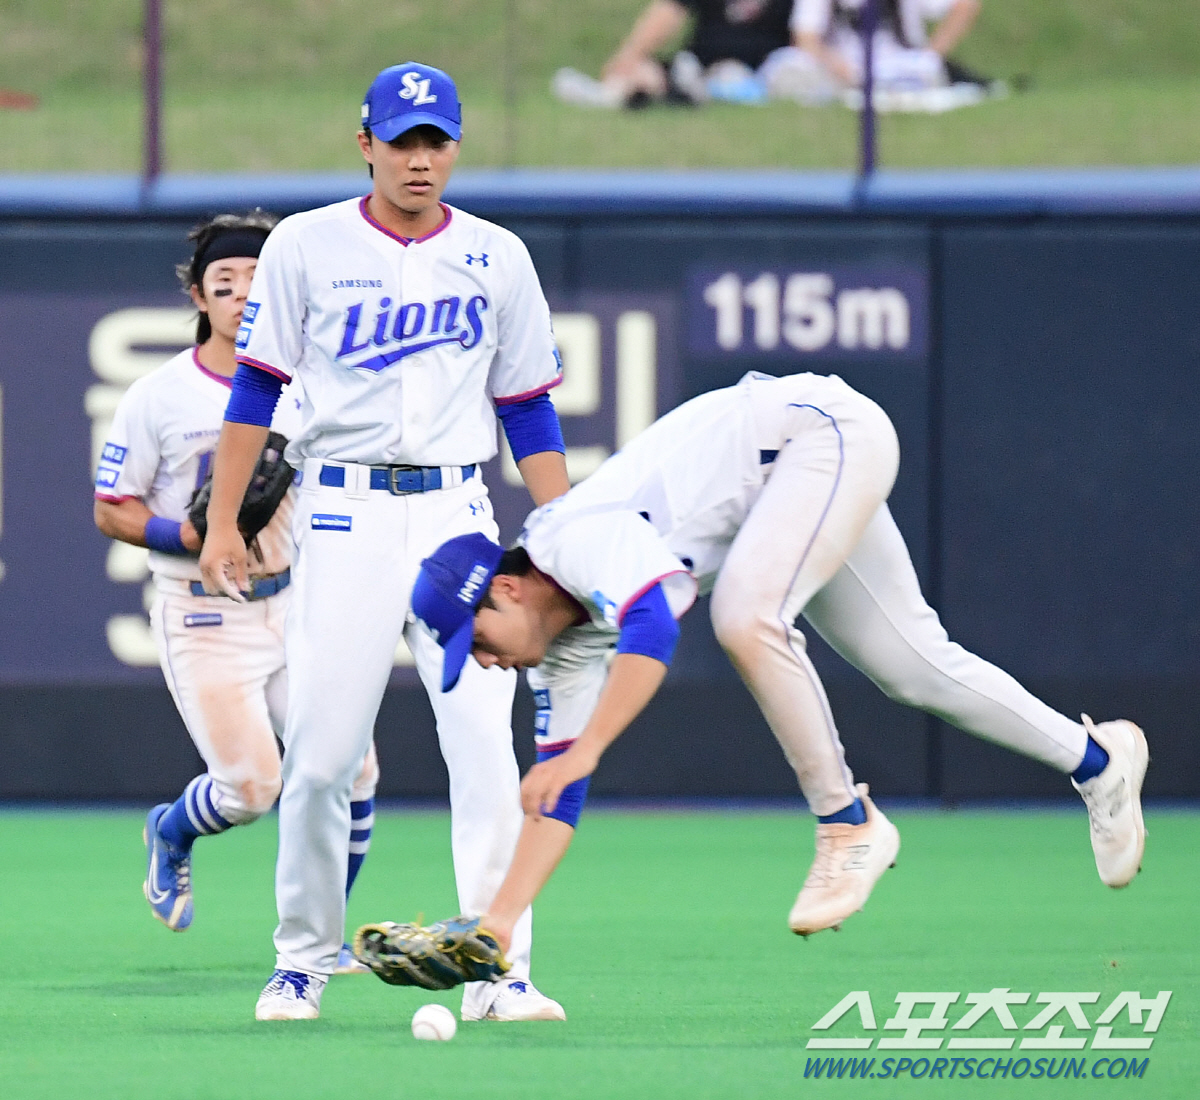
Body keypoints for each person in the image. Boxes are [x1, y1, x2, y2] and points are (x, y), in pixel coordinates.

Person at [386, 369, 1147, 972]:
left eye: (476, 633)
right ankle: (1097, 761)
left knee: (746, 617)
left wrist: (585, 750)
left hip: (816, 433)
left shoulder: (570, 545)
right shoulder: (563, 650)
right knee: (914, 668)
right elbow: (560, 794)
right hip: (777, 496)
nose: (482, 658)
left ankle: (846, 826)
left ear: (510, 586)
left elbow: (654, 626)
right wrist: (494, 928)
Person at [197, 62, 573, 1022]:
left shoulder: (497, 255)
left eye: (434, 140)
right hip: (345, 511)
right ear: (364, 142)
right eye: (401, 140)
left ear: (456, 145)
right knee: (322, 755)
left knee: (485, 747)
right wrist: (229, 525)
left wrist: (563, 535)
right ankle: (304, 958)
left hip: (456, 512)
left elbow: (526, 408)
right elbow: (258, 388)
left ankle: (502, 964)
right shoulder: (307, 245)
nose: (418, 159)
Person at [93, 213, 380, 973]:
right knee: (253, 788)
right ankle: (173, 831)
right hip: (204, 613)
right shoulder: (160, 395)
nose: (244, 295)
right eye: (226, 283)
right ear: (199, 296)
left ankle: (324, 938)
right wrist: (185, 536)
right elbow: (110, 507)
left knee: (354, 771)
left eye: (259, 278)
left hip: (295, 601)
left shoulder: (315, 387)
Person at [552, 0, 818, 108]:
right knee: (651, 71)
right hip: (697, 63)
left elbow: (809, 33)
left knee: (735, 76)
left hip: (764, 70)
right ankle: (613, 93)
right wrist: (628, 56)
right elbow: (668, 12)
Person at [791, 0, 989, 99]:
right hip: (841, 74)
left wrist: (931, 55)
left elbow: (966, 4)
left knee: (927, 72)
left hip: (903, 71)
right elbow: (805, 38)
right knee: (789, 64)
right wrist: (837, 66)